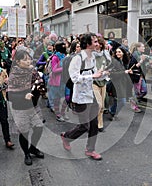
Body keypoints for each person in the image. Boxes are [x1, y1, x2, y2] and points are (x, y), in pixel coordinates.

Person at [60, 32, 104, 160]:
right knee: (85, 126)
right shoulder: (77, 58)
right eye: (95, 42)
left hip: (90, 95)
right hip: (80, 97)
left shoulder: (93, 57)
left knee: (94, 124)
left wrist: (102, 74)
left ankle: (90, 150)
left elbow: (94, 73)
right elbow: (74, 78)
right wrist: (92, 76)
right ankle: (66, 137)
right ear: (88, 44)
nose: (97, 44)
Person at [8, 48, 44, 165]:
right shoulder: (14, 75)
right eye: (25, 60)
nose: (28, 62)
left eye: (29, 59)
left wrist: (40, 88)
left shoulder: (33, 72)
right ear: (17, 62)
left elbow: (39, 83)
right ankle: (26, 153)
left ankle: (33, 148)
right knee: (24, 132)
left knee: (39, 127)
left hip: (33, 106)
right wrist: (24, 96)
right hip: (20, 108)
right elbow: (10, 96)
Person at [93, 36, 112, 132]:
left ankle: (100, 124)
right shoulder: (90, 55)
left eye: (98, 43)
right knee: (99, 104)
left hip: (103, 81)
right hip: (93, 81)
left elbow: (109, 65)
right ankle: (94, 122)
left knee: (102, 105)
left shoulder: (105, 54)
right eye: (95, 43)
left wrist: (108, 70)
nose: (96, 45)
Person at [109, 46, 133, 119]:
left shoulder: (124, 61)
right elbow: (112, 74)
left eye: (119, 52)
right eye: (116, 52)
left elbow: (124, 71)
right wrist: (124, 72)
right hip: (116, 84)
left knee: (118, 100)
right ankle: (112, 111)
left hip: (123, 83)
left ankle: (113, 112)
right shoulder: (114, 61)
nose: (117, 53)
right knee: (122, 101)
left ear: (123, 53)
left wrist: (128, 71)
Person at [48, 41, 68, 122]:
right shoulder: (55, 57)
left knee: (65, 98)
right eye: (63, 46)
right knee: (57, 98)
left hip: (64, 79)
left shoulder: (65, 56)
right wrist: (64, 68)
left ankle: (63, 112)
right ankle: (58, 114)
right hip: (56, 81)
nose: (64, 47)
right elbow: (54, 70)